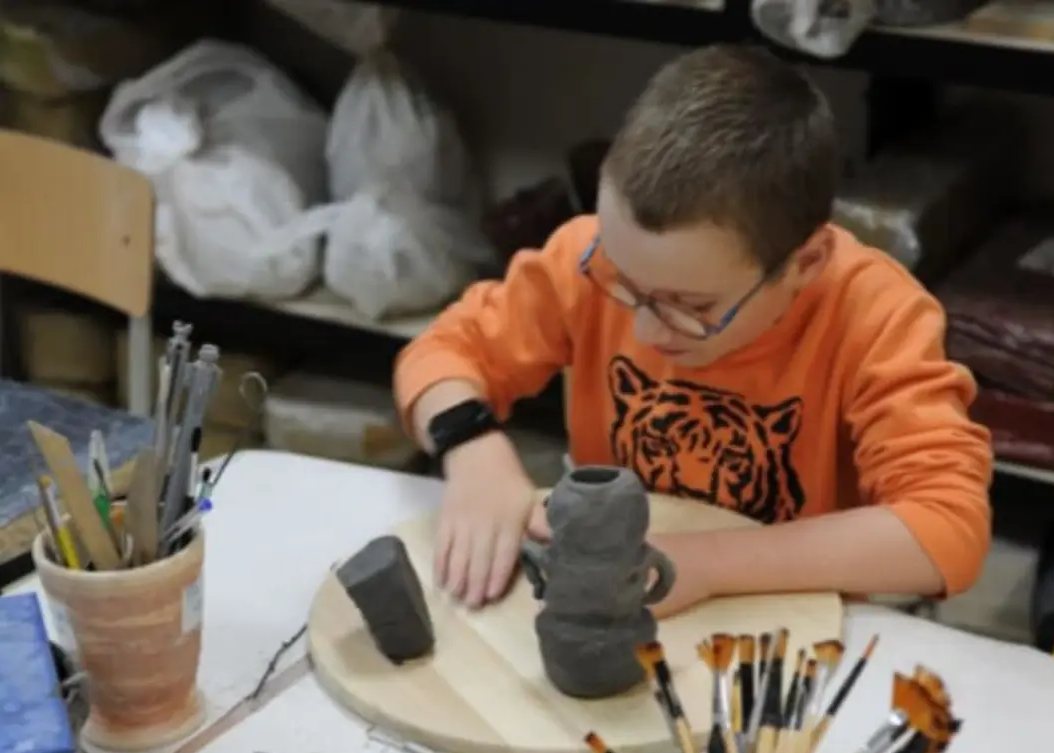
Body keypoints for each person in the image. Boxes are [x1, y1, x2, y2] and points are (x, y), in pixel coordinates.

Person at [393, 44, 993, 618]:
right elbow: (442, 352)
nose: (647, 331)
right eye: (625, 282)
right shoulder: (586, 259)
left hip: (785, 617)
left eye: (691, 305)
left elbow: (946, 530)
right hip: (622, 592)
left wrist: (705, 565)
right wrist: (474, 453)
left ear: (803, 264)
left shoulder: (876, 314)